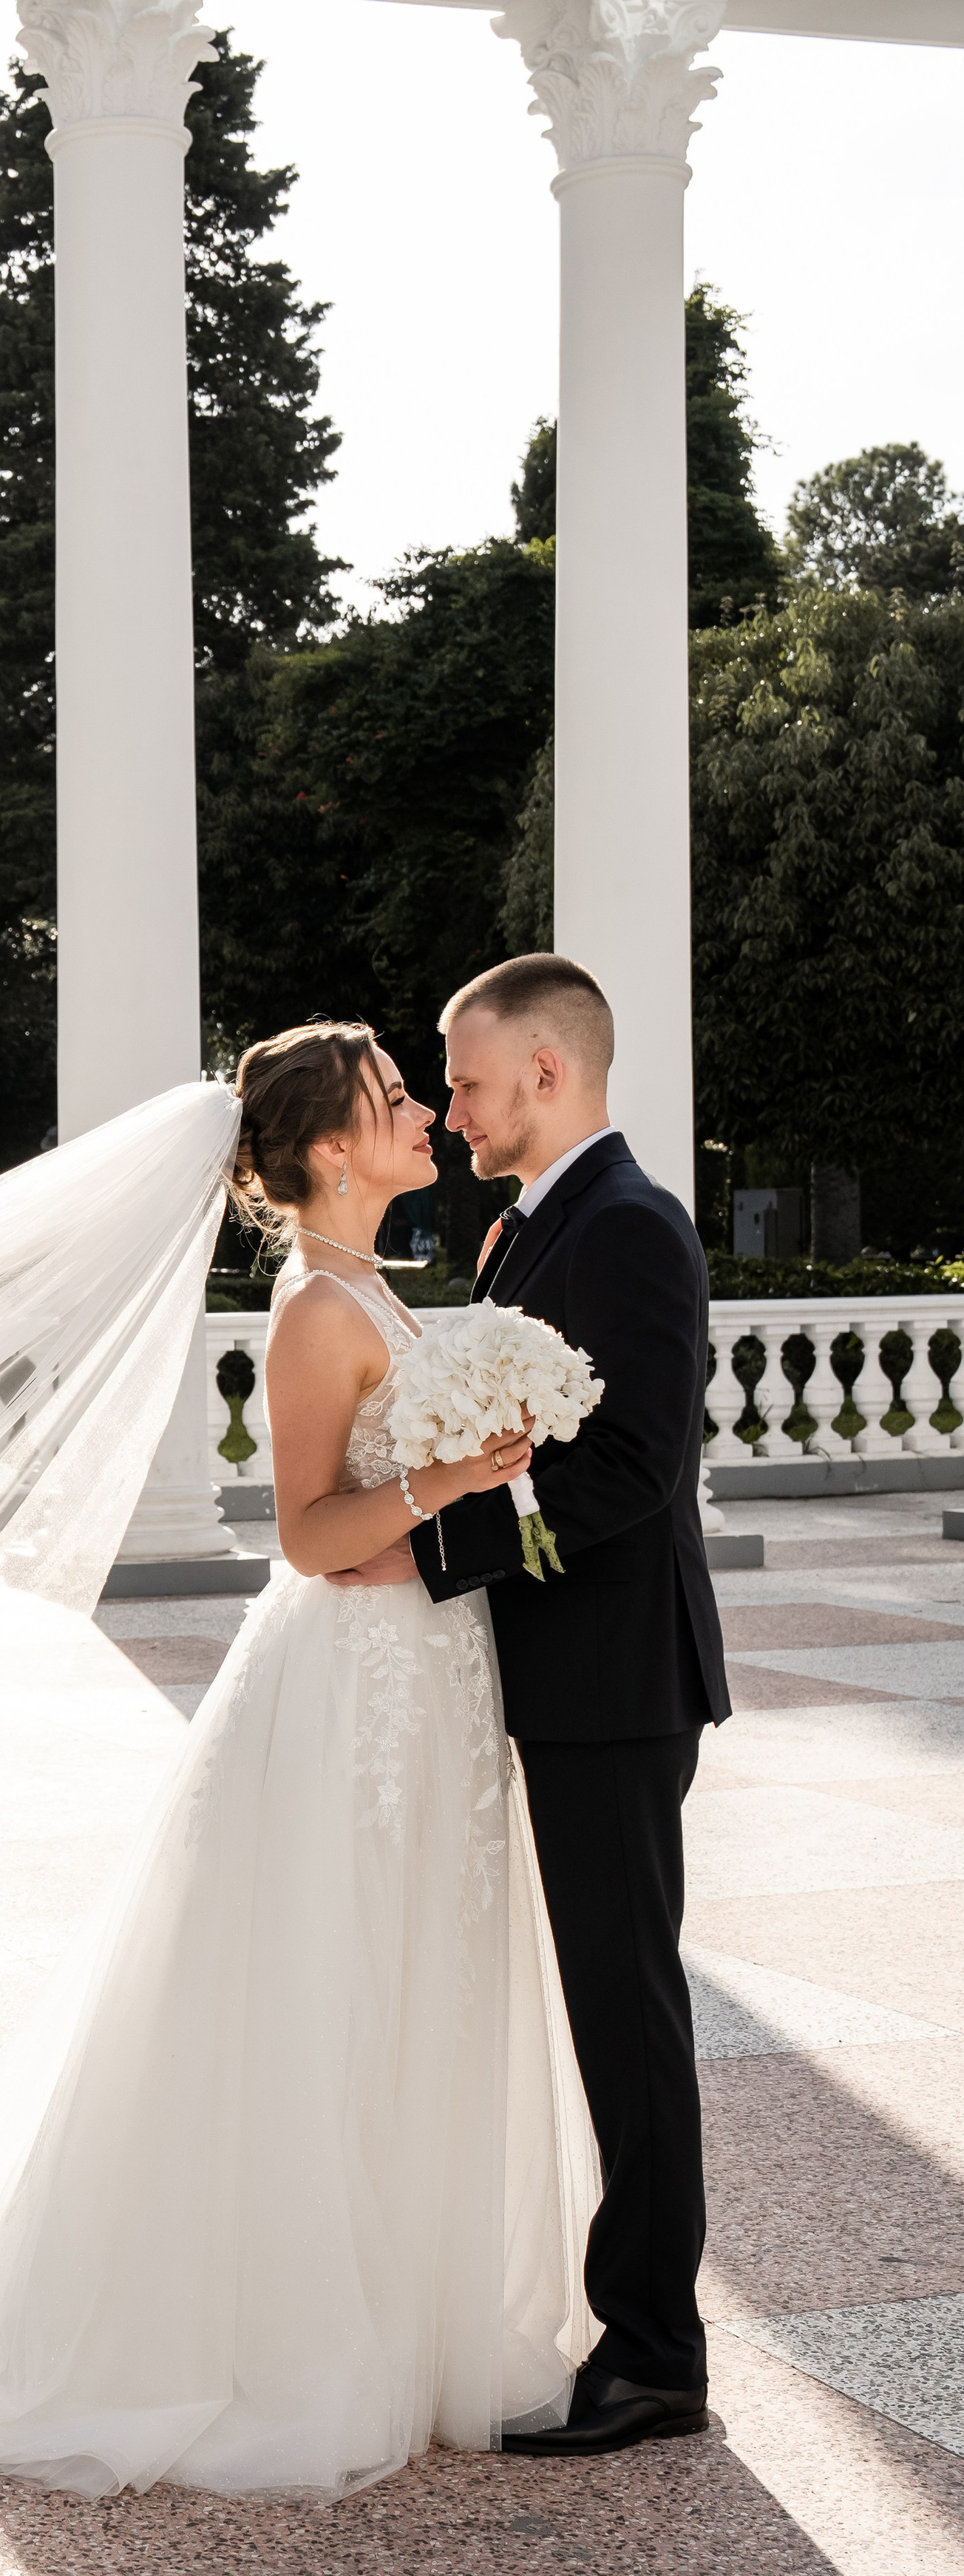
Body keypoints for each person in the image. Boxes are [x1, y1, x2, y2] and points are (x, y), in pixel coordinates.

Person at [0, 1021, 602, 2500]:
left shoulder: (375, 1284)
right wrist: (457, 1476)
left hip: (422, 1671)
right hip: (350, 1684)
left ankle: (406, 2308)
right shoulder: (314, 1308)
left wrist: (478, 1468)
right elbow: (307, 1536)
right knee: (328, 1979)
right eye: (389, 1100)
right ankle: (296, 2328)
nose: (422, 1111)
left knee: (411, 1970)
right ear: (320, 1151)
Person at [410, 954, 729, 2458]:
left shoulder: (628, 1231)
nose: (452, 1106)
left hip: (612, 1688)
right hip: (562, 1681)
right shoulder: (527, 1230)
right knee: (610, 2002)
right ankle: (639, 2332)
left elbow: (625, 1475)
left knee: (625, 2011)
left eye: (466, 1079)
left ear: (545, 1073)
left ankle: (655, 2352)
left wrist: (427, 1538)